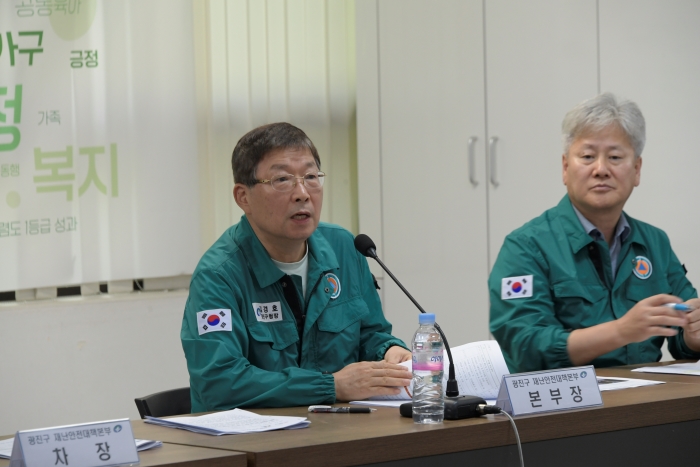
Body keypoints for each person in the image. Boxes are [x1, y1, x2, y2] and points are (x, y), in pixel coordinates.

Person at [181, 122, 411, 412]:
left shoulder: (344, 248)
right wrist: (331, 386)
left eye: (311, 176)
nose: (303, 193)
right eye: (282, 180)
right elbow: (219, 383)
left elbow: (370, 333)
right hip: (256, 444)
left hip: (337, 432)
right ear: (243, 197)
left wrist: (389, 350)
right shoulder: (219, 275)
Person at [489, 93, 700, 373]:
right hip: (563, 409)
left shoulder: (654, 242)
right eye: (588, 156)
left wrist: (693, 335)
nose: (601, 169)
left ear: (636, 170)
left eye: (614, 157)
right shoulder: (526, 246)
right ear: (566, 167)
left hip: (647, 402)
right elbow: (525, 345)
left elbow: (684, 330)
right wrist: (621, 331)